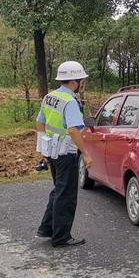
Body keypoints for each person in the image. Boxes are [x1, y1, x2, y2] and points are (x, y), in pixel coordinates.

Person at [35, 61, 93, 247]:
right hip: (66, 153)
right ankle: (61, 237)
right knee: (66, 194)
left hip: (52, 152)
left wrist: (44, 146)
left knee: (58, 190)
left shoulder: (49, 97)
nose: (82, 83)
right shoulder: (70, 102)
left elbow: (39, 123)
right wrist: (86, 153)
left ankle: (47, 228)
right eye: (81, 80)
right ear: (74, 81)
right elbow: (74, 130)